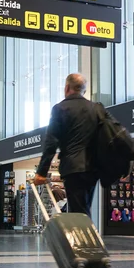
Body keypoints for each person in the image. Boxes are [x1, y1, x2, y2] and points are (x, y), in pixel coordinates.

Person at [33, 73, 101, 218]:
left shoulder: (60, 109)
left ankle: (82, 239)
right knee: (83, 208)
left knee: (78, 212)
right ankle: (82, 238)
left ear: (67, 88)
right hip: (93, 168)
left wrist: (41, 172)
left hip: (73, 168)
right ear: (84, 90)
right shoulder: (95, 108)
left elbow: (51, 142)